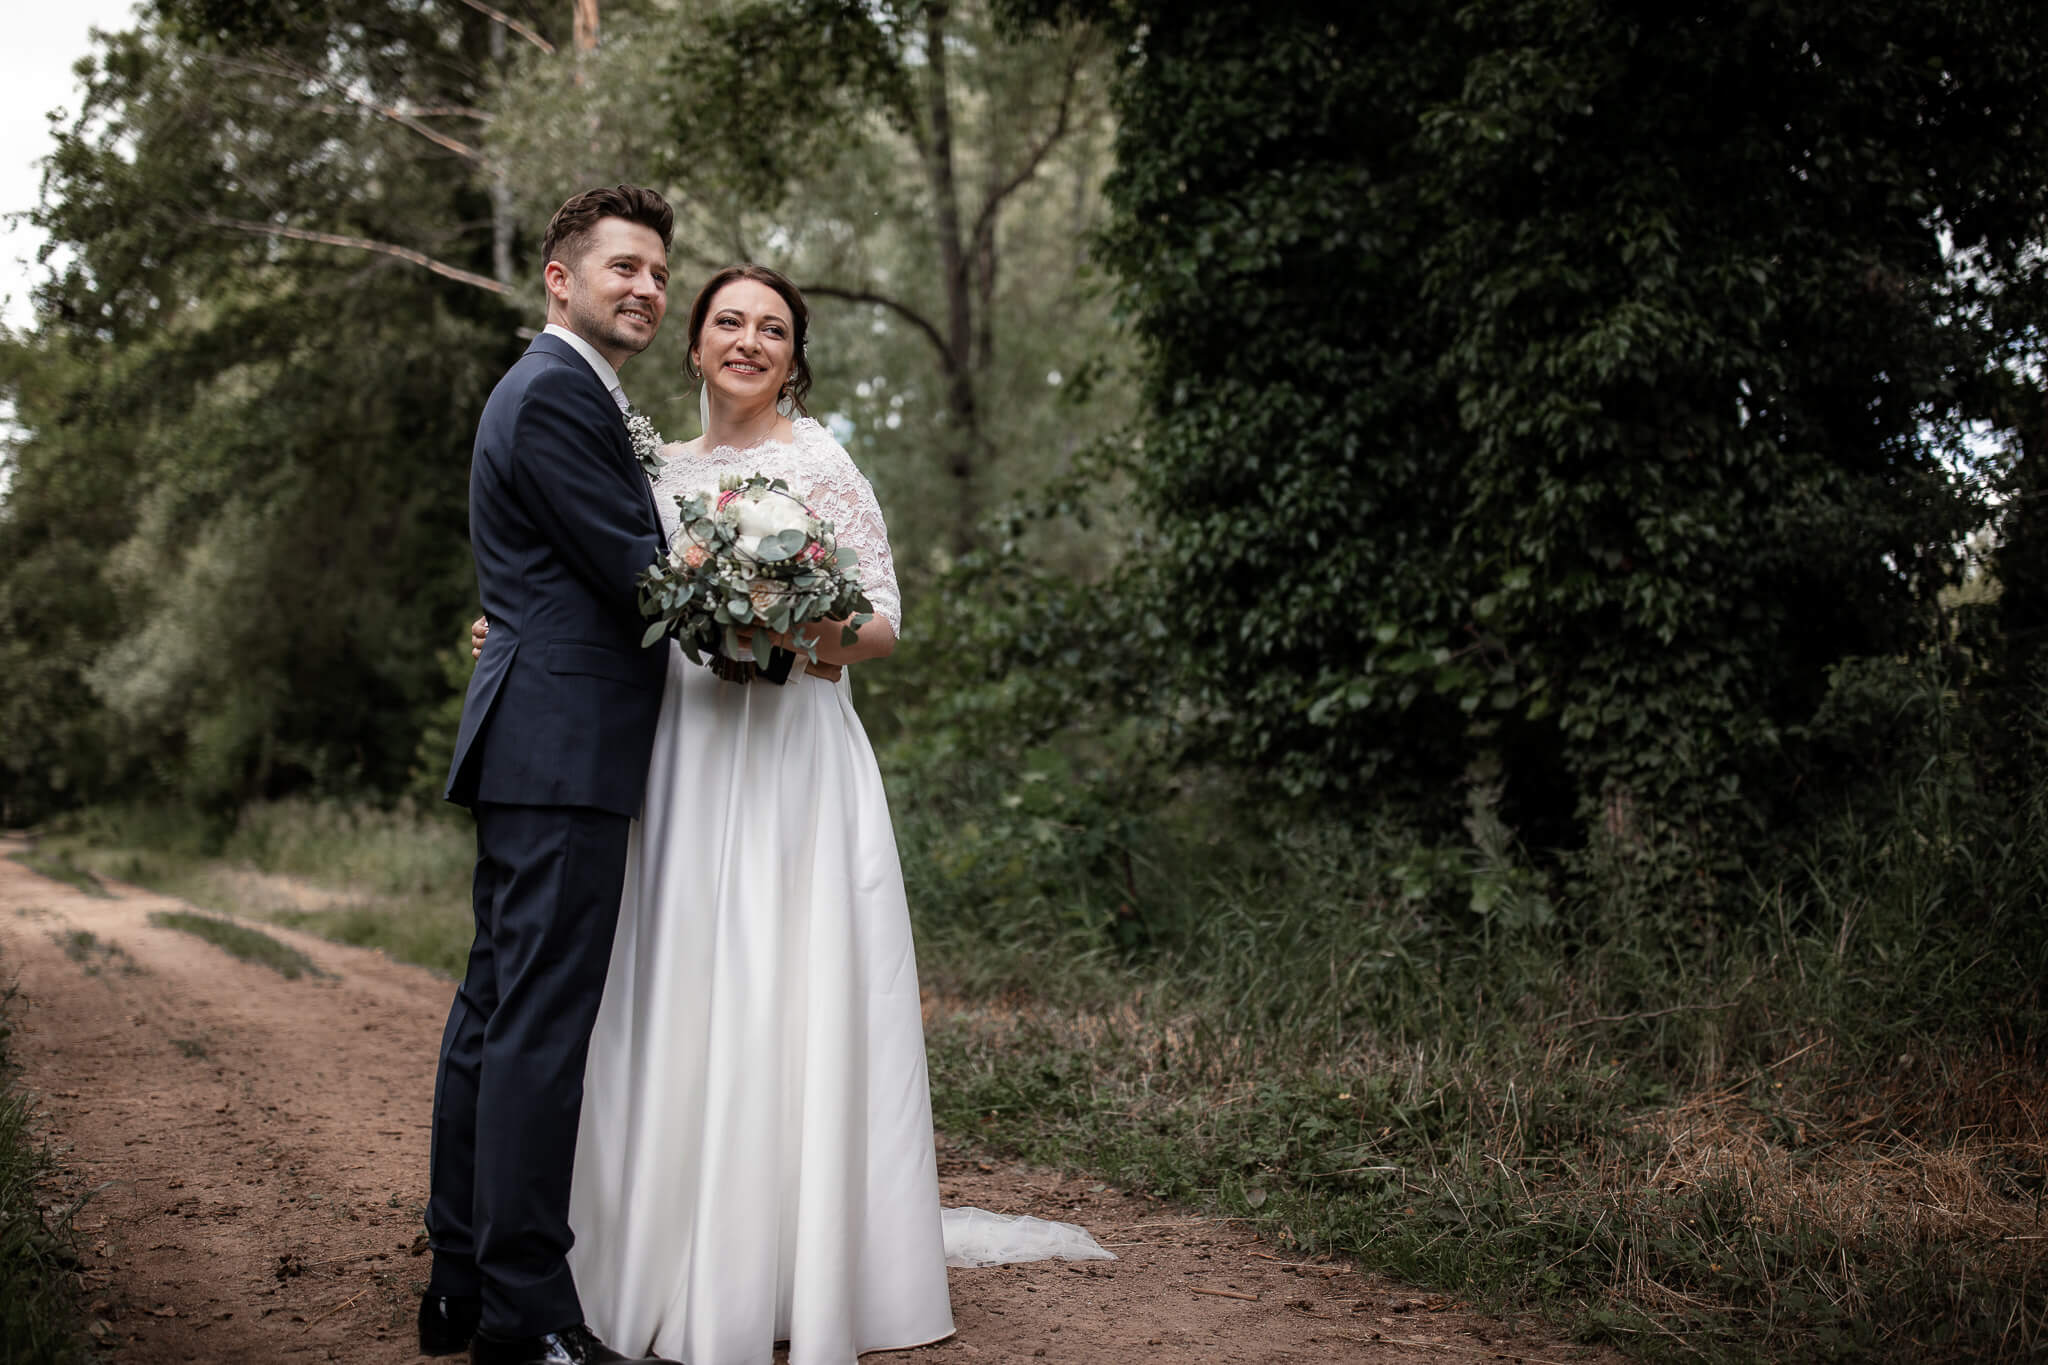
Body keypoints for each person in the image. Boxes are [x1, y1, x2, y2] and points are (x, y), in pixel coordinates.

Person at [563, 264, 956, 1364]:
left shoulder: (818, 461)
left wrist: (776, 632)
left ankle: (793, 1261)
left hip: (789, 754)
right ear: (691, 346)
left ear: (793, 356)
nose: (747, 342)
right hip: (683, 753)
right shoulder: (655, 469)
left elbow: (879, 625)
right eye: (727, 323)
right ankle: (660, 1249)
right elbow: (607, 590)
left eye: (771, 329)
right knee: (678, 981)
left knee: (784, 983)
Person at [426, 184, 682, 1365]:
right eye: (622, 266)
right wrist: (769, 615)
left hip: (539, 731)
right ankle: (524, 1319)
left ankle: (461, 1282)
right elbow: (642, 574)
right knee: (534, 1024)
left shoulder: (567, 393)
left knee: (494, 1011)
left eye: (658, 273)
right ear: (560, 278)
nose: (645, 286)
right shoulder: (551, 398)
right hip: (563, 738)